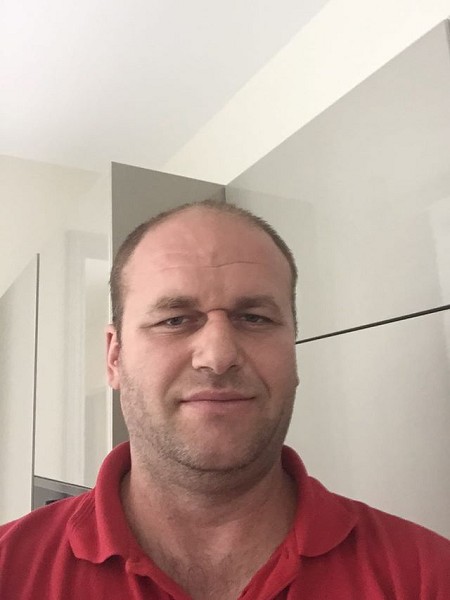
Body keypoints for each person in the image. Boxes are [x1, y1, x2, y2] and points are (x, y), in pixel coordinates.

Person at [1, 199, 449, 599]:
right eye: (175, 320)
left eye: (254, 318)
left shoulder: (428, 576)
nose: (218, 356)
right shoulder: (9, 571)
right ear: (115, 356)